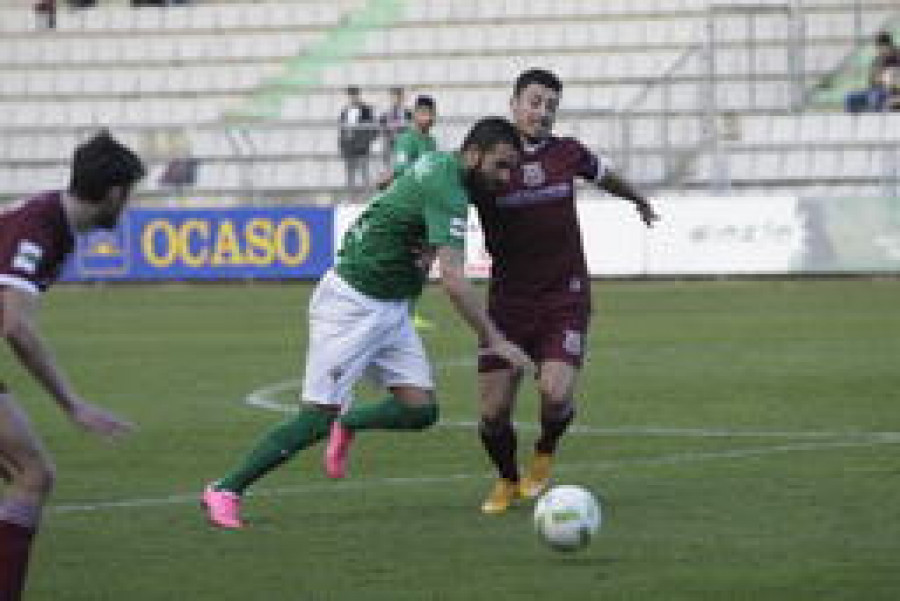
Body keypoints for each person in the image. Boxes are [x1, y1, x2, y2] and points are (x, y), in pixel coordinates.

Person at [202, 117, 532, 529]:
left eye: (512, 168)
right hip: (351, 305)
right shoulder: (448, 189)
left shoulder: (438, 163)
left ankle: (350, 421)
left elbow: (392, 185)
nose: (506, 177)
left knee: (420, 410)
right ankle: (226, 489)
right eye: (500, 166)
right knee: (313, 419)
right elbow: (453, 280)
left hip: (390, 305)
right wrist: (494, 340)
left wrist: (407, 232)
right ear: (473, 154)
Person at [471, 69, 659, 514]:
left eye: (550, 106)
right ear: (514, 104)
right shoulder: (490, 161)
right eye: (535, 102)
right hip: (508, 303)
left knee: (555, 394)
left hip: (564, 295)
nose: (542, 112)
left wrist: (637, 198)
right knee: (492, 413)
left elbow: (606, 175)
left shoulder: (567, 154)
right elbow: (444, 188)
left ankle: (545, 450)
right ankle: (506, 478)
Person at [0, 131, 144, 600]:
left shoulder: (49, 222)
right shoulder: (40, 227)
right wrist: (72, 405)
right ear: (114, 193)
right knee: (33, 475)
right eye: (129, 196)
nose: (128, 207)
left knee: (29, 472)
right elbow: (16, 326)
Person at [376, 94, 439, 330]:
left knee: (423, 261)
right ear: (414, 115)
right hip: (409, 207)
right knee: (409, 260)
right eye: (423, 112)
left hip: (425, 208)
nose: (428, 117)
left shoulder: (431, 142)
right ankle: (397, 311)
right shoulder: (407, 140)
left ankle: (409, 312)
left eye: (431, 112)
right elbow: (401, 170)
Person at [845, 31, 900, 113]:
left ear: (888, 46)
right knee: (850, 98)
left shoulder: (897, 57)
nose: (879, 51)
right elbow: (872, 81)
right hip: (878, 90)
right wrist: (879, 79)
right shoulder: (878, 60)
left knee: (876, 97)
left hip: (893, 93)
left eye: (881, 48)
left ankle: (877, 123)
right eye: (877, 48)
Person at [338, 86, 377, 199]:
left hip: (362, 147)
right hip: (348, 147)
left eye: (354, 95)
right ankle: (351, 198)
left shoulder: (366, 110)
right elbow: (341, 129)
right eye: (350, 95)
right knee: (350, 174)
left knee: (364, 173)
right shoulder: (345, 110)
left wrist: (366, 142)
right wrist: (342, 144)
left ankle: (367, 199)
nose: (352, 97)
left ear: (357, 95)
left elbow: (373, 128)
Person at [378, 86, 413, 169]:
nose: (396, 99)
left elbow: (411, 127)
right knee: (388, 166)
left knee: (402, 165)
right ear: (391, 97)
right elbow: (382, 128)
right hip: (389, 143)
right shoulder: (385, 113)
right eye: (394, 96)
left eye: (398, 96)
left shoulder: (408, 113)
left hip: (403, 144)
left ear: (402, 97)